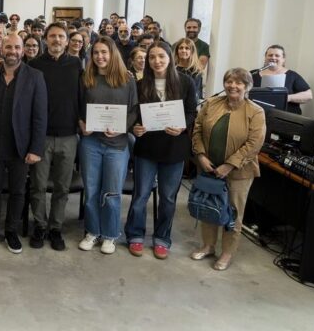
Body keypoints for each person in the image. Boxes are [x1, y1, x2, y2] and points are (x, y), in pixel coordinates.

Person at [125, 42, 197, 259]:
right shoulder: (140, 84)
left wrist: (183, 125)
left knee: (168, 197)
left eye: (161, 56)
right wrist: (133, 127)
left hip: (174, 148)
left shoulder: (186, 82)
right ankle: (135, 234)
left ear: (170, 57)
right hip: (147, 147)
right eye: (152, 57)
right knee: (140, 195)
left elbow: (192, 111)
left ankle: (162, 238)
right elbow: (133, 114)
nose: (157, 61)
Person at [0, 34, 47, 254]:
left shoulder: (35, 76)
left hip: (21, 146)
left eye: (17, 47)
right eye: (9, 46)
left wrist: (36, 148)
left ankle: (11, 231)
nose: (13, 51)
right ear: (1, 49)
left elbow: (40, 115)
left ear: (23, 50)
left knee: (18, 191)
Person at [191, 68, 266, 270]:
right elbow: (197, 130)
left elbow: (254, 143)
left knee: (232, 213)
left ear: (247, 87)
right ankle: (208, 246)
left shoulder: (256, 112)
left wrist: (229, 164)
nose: (233, 86)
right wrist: (200, 155)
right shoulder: (211, 104)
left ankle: (226, 253)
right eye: (229, 81)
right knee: (208, 207)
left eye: (239, 82)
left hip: (239, 172)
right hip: (208, 167)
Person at [78, 37, 138, 254]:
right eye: (96, 53)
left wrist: (122, 127)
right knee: (92, 190)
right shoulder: (87, 78)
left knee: (112, 192)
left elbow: (134, 110)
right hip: (91, 143)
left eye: (104, 52)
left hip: (117, 144)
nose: (100, 56)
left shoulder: (127, 79)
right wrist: (81, 124)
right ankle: (93, 231)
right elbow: (79, 107)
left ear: (113, 54)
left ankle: (110, 235)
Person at [28, 23, 82, 251]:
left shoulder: (77, 64)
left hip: (69, 135)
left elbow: (81, 96)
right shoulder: (34, 65)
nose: (57, 40)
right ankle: (40, 226)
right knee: (38, 186)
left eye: (61, 36)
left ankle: (56, 228)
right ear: (45, 39)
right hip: (42, 136)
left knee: (62, 187)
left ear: (67, 40)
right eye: (53, 36)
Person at [252, 45, 312, 115]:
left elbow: (308, 95)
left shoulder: (292, 75)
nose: (273, 57)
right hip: (258, 116)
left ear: (283, 59)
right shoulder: (254, 74)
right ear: (265, 58)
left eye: (277, 55)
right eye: (270, 55)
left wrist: (287, 97)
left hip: (285, 118)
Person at [174, 37, 204, 101]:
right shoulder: (172, 69)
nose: (183, 50)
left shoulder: (196, 71)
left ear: (192, 52)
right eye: (181, 48)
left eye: (187, 48)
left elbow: (196, 91)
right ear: (177, 51)